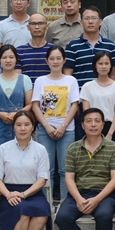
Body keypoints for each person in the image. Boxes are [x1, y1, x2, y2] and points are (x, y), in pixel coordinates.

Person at [56, 108, 115, 230]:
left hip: (104, 195)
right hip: (78, 193)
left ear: (103, 125)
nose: (93, 124)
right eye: (89, 121)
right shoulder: (73, 148)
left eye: (97, 121)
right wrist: (78, 199)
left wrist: (97, 199)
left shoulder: (114, 148)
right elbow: (69, 179)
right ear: (82, 125)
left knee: (104, 216)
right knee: (62, 218)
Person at [0, 110, 51, 230]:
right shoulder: (3, 149)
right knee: (23, 211)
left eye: (26, 124)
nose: (22, 128)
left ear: (33, 127)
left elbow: (42, 179)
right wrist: (8, 195)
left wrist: (24, 194)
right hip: (9, 192)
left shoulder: (40, 150)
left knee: (42, 215)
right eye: (18, 125)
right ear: (13, 127)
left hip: (33, 192)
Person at [31, 46, 80, 202]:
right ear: (46, 61)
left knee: (65, 170)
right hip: (45, 130)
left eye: (59, 58)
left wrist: (62, 126)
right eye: (52, 58)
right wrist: (47, 126)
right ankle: (47, 204)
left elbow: (75, 105)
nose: (55, 61)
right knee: (47, 170)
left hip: (67, 130)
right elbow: (35, 106)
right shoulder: (40, 81)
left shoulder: (71, 80)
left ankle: (65, 204)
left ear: (64, 60)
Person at [0, 45, 33, 154]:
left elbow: (30, 104)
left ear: (16, 59)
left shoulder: (25, 79)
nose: (8, 60)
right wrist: (1, 115)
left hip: (20, 127)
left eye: (11, 57)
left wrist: (17, 114)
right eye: (4, 57)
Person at [64, 6, 115, 90]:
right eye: (86, 18)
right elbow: (68, 75)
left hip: (105, 94)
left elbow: (112, 74)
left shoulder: (109, 45)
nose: (90, 21)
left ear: (100, 22)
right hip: (80, 94)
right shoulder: (72, 46)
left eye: (94, 18)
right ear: (81, 22)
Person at [80, 52, 115, 142]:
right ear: (95, 65)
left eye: (106, 63)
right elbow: (86, 112)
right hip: (93, 127)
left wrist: (110, 134)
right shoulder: (87, 86)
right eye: (100, 63)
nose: (103, 66)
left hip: (111, 127)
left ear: (111, 66)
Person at [15, 13, 54, 82]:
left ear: (47, 26)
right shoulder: (19, 51)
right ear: (28, 27)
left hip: (49, 88)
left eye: (41, 23)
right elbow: (18, 78)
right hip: (27, 88)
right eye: (33, 24)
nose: (37, 27)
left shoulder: (54, 50)